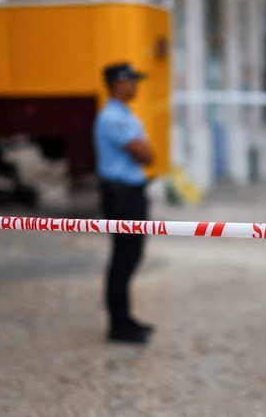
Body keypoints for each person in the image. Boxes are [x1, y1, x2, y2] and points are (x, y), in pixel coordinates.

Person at [94, 62, 155, 344]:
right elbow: (144, 153)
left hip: (131, 193)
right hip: (121, 196)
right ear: (118, 83)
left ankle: (125, 319)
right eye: (131, 81)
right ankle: (118, 326)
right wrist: (145, 149)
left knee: (131, 257)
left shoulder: (123, 114)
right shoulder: (112, 118)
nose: (135, 85)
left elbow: (146, 152)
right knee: (123, 259)